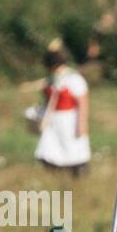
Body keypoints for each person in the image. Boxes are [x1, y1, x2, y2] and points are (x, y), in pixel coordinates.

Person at [33, 39, 91, 176]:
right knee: (48, 149)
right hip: (53, 120)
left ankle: (76, 174)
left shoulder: (74, 79)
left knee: (74, 149)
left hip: (70, 119)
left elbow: (82, 101)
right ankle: (55, 175)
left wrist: (82, 123)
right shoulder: (52, 79)